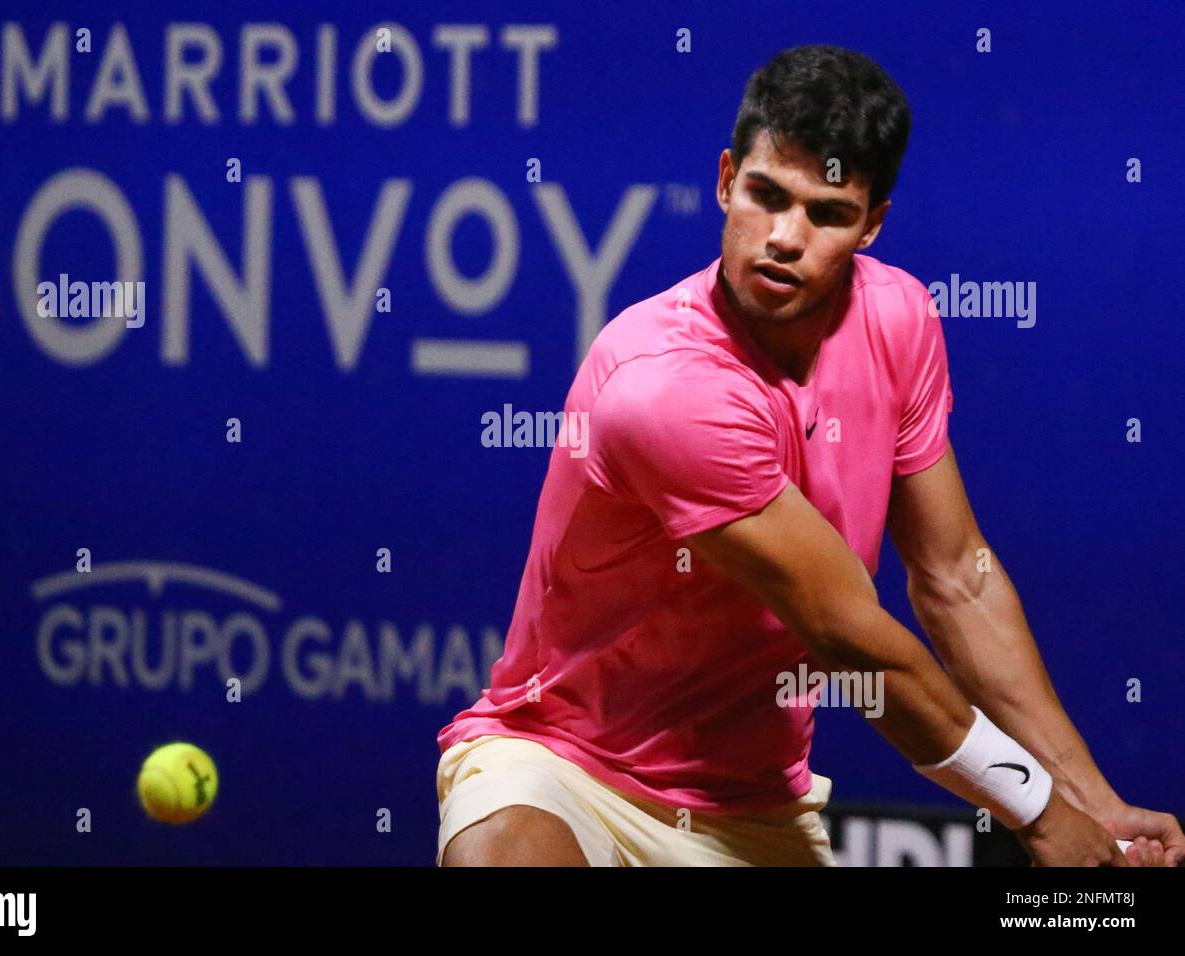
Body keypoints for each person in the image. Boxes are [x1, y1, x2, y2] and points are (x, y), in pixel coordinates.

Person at [435, 44, 1182, 867]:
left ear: (873, 224)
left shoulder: (899, 320)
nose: (784, 238)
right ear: (725, 181)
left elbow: (956, 578)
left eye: (826, 213)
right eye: (765, 196)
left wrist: (1092, 804)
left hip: (753, 805)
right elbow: (844, 634)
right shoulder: (665, 386)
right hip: (560, 766)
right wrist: (1038, 812)